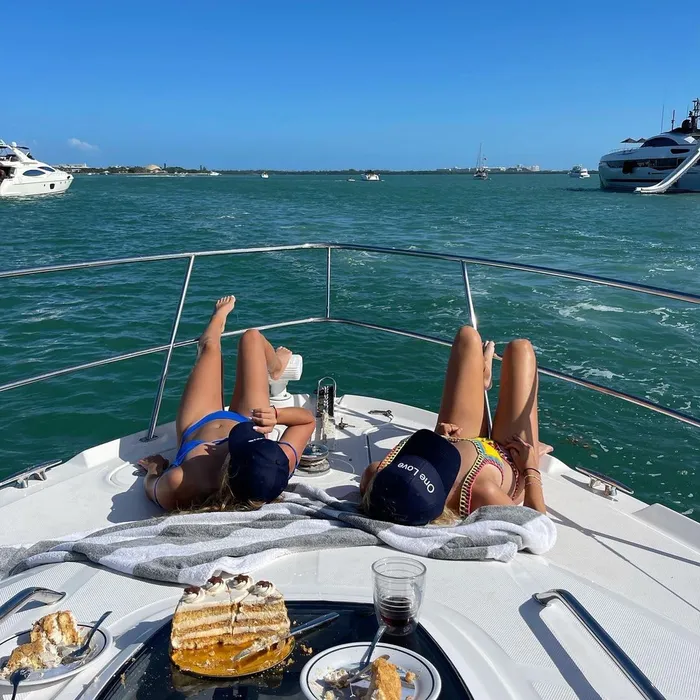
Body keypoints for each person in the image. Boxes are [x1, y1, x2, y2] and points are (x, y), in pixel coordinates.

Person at [139, 295, 315, 511]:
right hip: (248, 419)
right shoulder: (274, 469)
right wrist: (276, 416)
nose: (223, 444)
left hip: (197, 423)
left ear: (230, 473)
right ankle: (276, 367)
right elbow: (307, 421)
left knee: (210, 348)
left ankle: (218, 317)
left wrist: (154, 468)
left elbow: (152, 487)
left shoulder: (183, 481)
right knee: (252, 337)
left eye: (235, 448)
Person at [360, 326, 550, 525]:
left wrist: (436, 442)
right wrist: (531, 468)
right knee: (521, 350)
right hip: (510, 457)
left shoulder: (376, 478)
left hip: (456, 439)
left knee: (467, 337)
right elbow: (536, 525)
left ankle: (481, 378)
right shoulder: (483, 494)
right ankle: (479, 380)